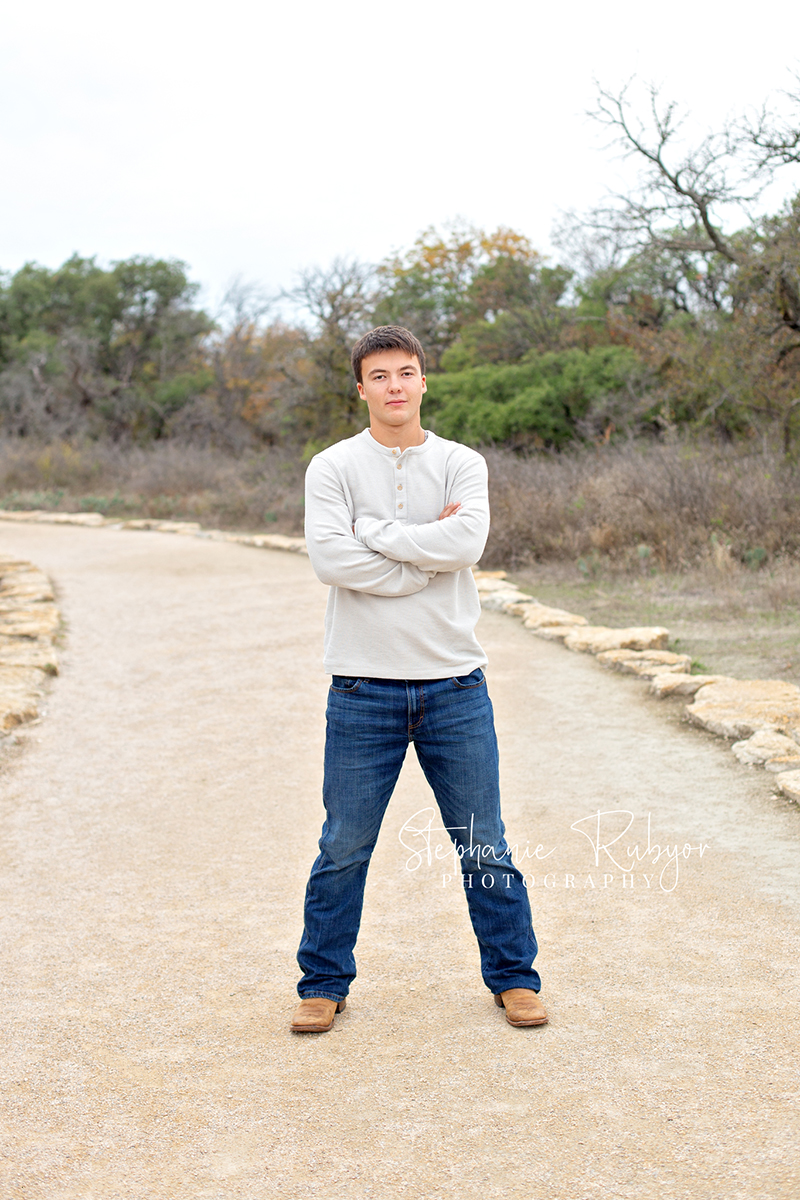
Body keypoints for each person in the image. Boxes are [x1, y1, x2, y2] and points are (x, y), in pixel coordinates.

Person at [290, 325, 546, 1033]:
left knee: (484, 842)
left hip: (453, 685)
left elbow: (467, 541)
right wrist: (422, 561)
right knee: (343, 845)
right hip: (361, 688)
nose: (394, 386)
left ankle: (515, 978)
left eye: (406, 372)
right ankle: (322, 983)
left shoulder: (462, 463)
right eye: (380, 376)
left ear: (423, 381)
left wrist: (376, 534)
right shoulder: (332, 467)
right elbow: (330, 561)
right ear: (361, 388)